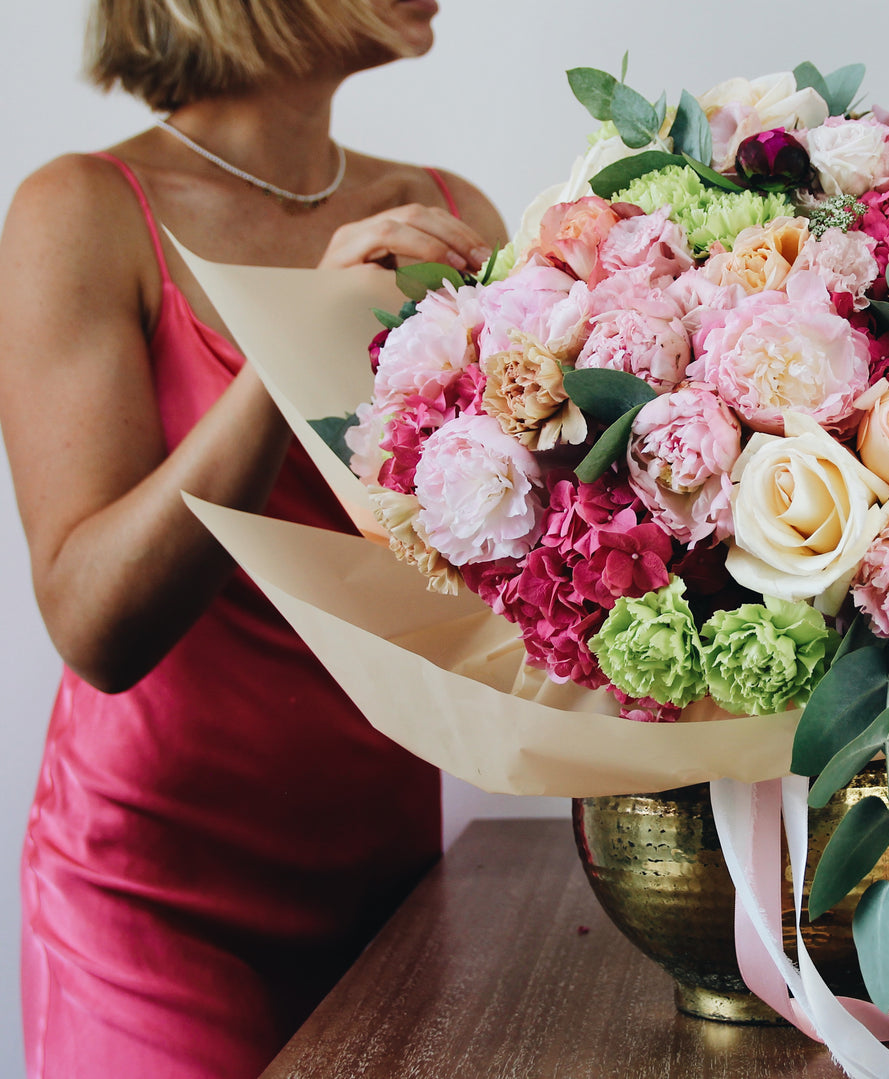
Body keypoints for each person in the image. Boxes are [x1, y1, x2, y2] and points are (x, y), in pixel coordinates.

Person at [0, 1, 507, 1075]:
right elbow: (95, 623)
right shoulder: (83, 209)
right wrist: (294, 342)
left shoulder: (452, 214)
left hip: (399, 879)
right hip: (152, 901)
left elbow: (517, 583)